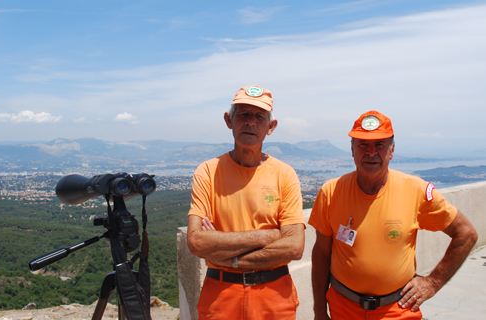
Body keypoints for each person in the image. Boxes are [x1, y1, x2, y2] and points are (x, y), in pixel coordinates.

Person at [309, 110, 478, 320]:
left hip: (398, 310)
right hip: (343, 308)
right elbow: (322, 254)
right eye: (363, 144)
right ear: (352, 149)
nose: (371, 152)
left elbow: (466, 234)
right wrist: (318, 310)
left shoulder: (416, 190)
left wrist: (433, 282)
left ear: (392, 150)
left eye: (380, 144)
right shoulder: (331, 192)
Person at [187, 85, 305, 320]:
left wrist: (225, 255)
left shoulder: (285, 174)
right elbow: (197, 241)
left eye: (259, 116)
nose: (251, 122)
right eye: (243, 114)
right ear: (229, 120)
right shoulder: (208, 172)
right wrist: (267, 236)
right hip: (220, 298)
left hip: (274, 297)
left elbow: (294, 247)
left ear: (270, 127)